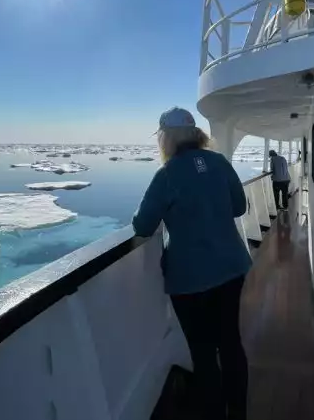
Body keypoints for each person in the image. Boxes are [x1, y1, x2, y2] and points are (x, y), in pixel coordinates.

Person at [133, 107, 252, 420]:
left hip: (191, 279)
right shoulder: (220, 162)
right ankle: (238, 412)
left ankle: (214, 413)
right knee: (230, 342)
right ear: (195, 133)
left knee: (203, 352)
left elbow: (143, 226)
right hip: (231, 267)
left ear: (166, 138)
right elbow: (240, 207)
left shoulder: (167, 175)